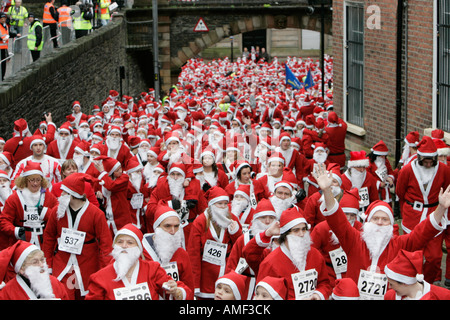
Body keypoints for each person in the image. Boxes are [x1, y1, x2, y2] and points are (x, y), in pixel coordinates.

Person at [313, 162, 449, 300]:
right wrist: (327, 191)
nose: (379, 223)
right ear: (367, 221)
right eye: (375, 218)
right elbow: (338, 221)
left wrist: (441, 209)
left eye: (385, 220)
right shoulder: (355, 240)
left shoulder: (399, 244)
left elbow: (422, 233)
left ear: (391, 224)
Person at [43, 172, 113, 299]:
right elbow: (48, 237)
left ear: (73, 194)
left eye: (64, 192)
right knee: (64, 294)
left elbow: (105, 243)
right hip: (63, 263)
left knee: (86, 294)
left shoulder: (96, 214)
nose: (61, 195)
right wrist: (47, 263)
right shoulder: (57, 211)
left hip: (87, 263)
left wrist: (105, 269)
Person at [85, 223, 192, 300]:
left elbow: (182, 291)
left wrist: (176, 291)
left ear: (139, 248)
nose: (124, 246)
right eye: (120, 242)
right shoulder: (99, 278)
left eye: (130, 242)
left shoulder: (152, 270)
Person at [245, 207, 332, 300]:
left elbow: (324, 283)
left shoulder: (315, 254)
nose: (302, 234)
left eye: (304, 229)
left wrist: (318, 295)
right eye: (296, 230)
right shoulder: (270, 263)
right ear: (285, 235)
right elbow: (263, 296)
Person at [396, 135, 450, 284]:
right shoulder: (407, 170)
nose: (428, 164)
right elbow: (400, 192)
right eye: (425, 161)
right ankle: (407, 281)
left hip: (434, 215)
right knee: (412, 254)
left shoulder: (444, 170)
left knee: (434, 257)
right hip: (412, 215)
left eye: (430, 160)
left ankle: (427, 283)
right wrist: (405, 212)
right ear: (419, 158)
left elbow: (446, 191)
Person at [187, 186, 241, 300]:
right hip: (206, 276)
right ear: (211, 204)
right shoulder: (200, 221)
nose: (223, 207)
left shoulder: (232, 218)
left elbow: (240, 247)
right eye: (219, 203)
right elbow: (193, 253)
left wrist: (235, 232)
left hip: (226, 272)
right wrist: (195, 285)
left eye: (225, 203)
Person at [0, 162, 58, 249]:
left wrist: (46, 213)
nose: (35, 183)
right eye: (32, 180)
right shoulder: (14, 198)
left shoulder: (49, 197)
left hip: (43, 240)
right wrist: (15, 231)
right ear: (25, 180)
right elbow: (4, 220)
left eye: (38, 180)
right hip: (22, 240)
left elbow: (59, 217)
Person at [142, 205, 195, 294]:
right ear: (157, 227)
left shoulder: (182, 254)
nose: (173, 231)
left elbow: (189, 288)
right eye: (167, 226)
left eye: (176, 226)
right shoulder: (142, 250)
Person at [0, 240, 70, 300]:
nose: (41, 265)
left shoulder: (55, 283)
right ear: (22, 269)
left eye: (42, 260)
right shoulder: (8, 292)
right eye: (35, 262)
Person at [384, 249, 450, 300]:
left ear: (405, 283)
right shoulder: (390, 296)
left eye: (392, 284)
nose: (389, 287)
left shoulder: (443, 295)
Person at [93, 155, 131, 237]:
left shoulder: (124, 177)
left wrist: (102, 172)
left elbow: (111, 186)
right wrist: (99, 198)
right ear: (111, 172)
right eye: (117, 170)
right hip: (108, 218)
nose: (121, 171)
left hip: (121, 217)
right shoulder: (102, 180)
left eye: (120, 168)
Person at [0, 12, 10, 80]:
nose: (3, 20)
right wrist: (2, 39)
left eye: (4, 19)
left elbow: (7, 33)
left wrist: (14, 34)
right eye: (2, 19)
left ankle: (2, 77)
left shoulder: (5, 25)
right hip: (0, 47)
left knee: (4, 63)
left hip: (4, 47)